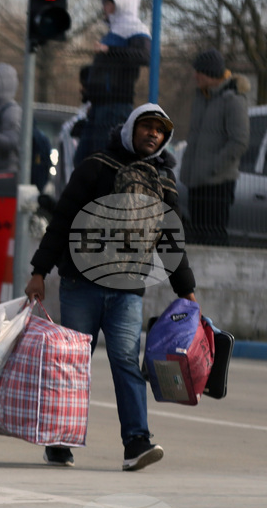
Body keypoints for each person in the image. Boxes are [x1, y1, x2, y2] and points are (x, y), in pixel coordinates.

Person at [24, 103, 196, 471]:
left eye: (160, 130)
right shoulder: (97, 165)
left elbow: (170, 240)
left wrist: (186, 290)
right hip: (80, 284)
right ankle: (59, 440)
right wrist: (39, 271)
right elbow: (64, 218)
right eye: (146, 126)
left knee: (125, 363)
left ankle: (136, 442)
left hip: (127, 290)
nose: (153, 134)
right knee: (72, 364)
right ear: (131, 129)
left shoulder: (164, 181)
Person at [180, 49, 250, 246]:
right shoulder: (202, 97)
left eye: (199, 72)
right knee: (197, 235)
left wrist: (212, 167)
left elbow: (239, 141)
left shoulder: (233, 100)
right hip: (196, 181)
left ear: (210, 73)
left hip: (218, 182)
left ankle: (218, 277)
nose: (195, 76)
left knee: (214, 236)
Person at [75, 0, 151, 166]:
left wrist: (110, 51)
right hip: (99, 105)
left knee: (102, 161)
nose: (105, 7)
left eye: (109, 3)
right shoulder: (113, 32)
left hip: (115, 105)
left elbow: (145, 56)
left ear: (122, 4)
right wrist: (90, 93)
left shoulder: (135, 28)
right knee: (83, 159)